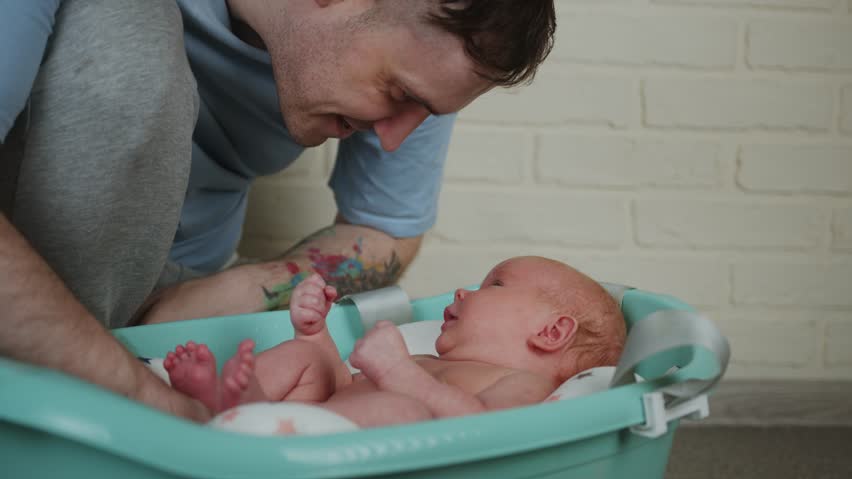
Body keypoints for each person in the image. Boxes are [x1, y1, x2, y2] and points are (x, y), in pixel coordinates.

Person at [0, 0, 555, 421]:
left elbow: (385, 228)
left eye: (425, 110)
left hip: (182, 307)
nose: (396, 140)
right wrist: (139, 395)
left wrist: (260, 285)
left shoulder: (426, 49)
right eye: (398, 92)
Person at [164, 256, 627, 427]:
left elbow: (485, 427)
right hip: (312, 417)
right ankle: (238, 403)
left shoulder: (521, 385)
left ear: (551, 333)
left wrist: (400, 374)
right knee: (304, 357)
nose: (464, 291)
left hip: (341, 451)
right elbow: (342, 387)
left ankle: (248, 419)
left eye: (495, 286)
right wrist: (314, 330)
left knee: (405, 410)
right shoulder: (423, 356)